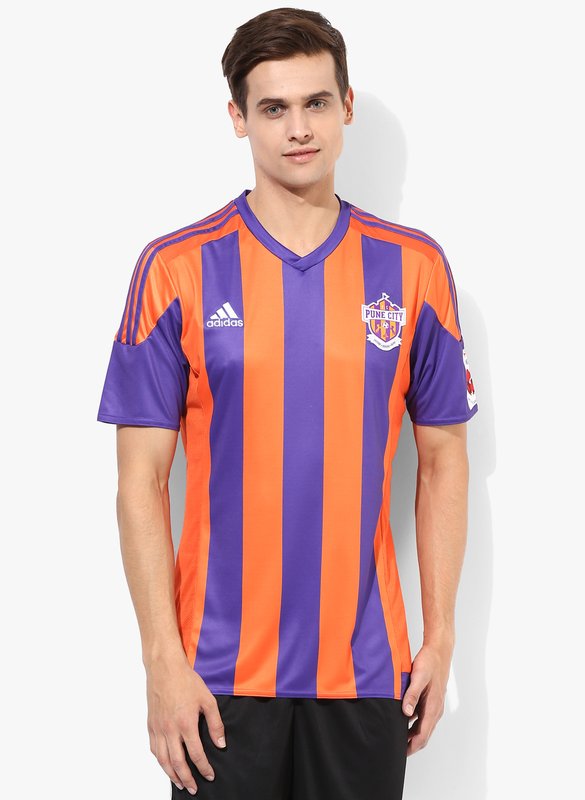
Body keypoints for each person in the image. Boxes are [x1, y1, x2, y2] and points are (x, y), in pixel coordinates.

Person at [97, 7, 478, 799]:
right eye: (273, 107)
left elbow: (442, 460)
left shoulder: (414, 269)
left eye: (315, 103)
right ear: (238, 117)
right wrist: (161, 662)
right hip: (216, 676)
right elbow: (140, 481)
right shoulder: (174, 268)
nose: (297, 129)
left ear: (346, 106)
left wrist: (441, 637)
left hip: (367, 671)